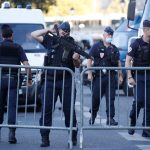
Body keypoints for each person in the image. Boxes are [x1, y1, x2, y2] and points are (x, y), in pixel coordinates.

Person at [31, 21, 80, 147]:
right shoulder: (50, 40)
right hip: (50, 81)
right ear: (58, 30)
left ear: (69, 32)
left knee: (69, 110)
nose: (64, 32)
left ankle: (73, 135)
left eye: (67, 31)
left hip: (66, 81)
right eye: (62, 30)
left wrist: (76, 59)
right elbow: (34, 34)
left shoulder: (73, 44)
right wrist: (47, 30)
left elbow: (77, 65)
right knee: (46, 110)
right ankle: (45, 137)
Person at [0, 24, 32, 143]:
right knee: (12, 106)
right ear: (12, 35)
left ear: (2, 36)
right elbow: (26, 65)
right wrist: (29, 79)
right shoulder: (17, 47)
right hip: (13, 79)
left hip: (0, 79)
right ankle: (11, 134)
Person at [87, 26, 123, 126]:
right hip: (98, 77)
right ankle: (93, 114)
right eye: (108, 34)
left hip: (110, 77)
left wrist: (120, 75)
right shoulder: (96, 46)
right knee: (96, 98)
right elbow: (89, 59)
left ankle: (110, 118)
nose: (109, 36)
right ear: (104, 35)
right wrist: (89, 73)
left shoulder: (114, 49)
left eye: (111, 35)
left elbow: (118, 63)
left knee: (111, 98)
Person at [125, 20, 150, 137]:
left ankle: (146, 128)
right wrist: (129, 76)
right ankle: (132, 122)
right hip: (139, 76)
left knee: (149, 103)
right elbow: (128, 60)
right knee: (139, 101)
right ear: (145, 30)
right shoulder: (136, 43)